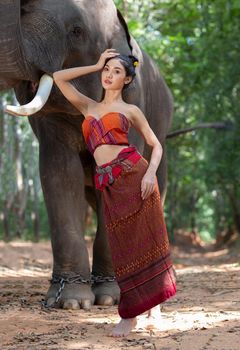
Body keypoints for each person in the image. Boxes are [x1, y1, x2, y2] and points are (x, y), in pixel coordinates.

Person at [53, 48, 176, 337]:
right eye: (106, 70)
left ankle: (136, 314)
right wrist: (94, 64)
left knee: (145, 240)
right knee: (122, 246)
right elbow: (59, 78)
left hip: (134, 174)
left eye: (116, 71)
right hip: (108, 182)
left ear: (127, 80)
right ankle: (145, 308)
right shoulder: (88, 107)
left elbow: (155, 145)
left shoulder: (130, 111)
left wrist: (150, 174)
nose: (108, 75)